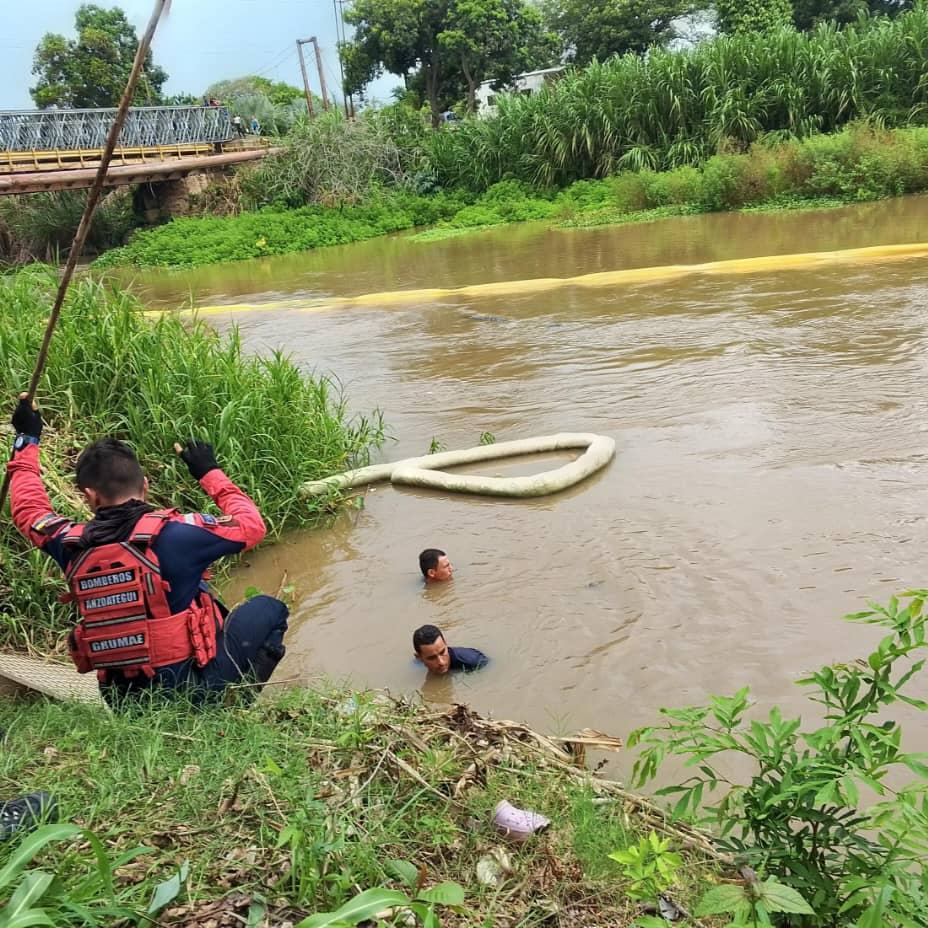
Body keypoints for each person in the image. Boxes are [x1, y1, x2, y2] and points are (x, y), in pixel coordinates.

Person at [7, 395, 288, 704]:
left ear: (89, 496)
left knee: (202, 593)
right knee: (270, 610)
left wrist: (26, 439)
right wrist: (209, 472)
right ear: (145, 485)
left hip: (121, 701)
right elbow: (251, 525)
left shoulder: (69, 543)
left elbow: (29, 509)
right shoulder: (180, 533)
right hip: (190, 693)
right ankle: (231, 704)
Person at [413, 624, 487, 675]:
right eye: (432, 658)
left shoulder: (473, 661)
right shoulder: (417, 663)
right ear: (419, 658)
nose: (441, 662)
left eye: (442, 652)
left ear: (446, 644)